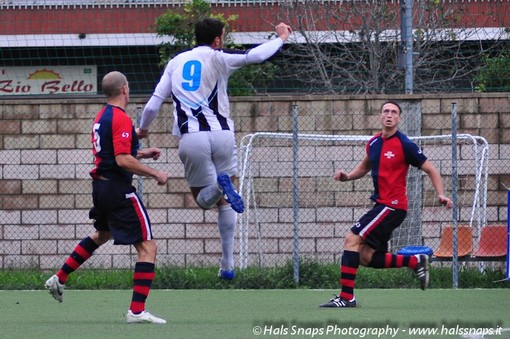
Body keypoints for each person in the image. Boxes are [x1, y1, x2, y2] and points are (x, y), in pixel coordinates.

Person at [138, 18, 293, 280]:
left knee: (203, 200)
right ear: (218, 40)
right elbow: (255, 55)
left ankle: (221, 188)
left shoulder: (175, 62)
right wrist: (280, 38)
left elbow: (153, 104)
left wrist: (143, 129)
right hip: (222, 134)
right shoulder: (220, 57)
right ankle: (228, 265)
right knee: (225, 204)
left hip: (192, 138)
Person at [45, 71, 170, 324]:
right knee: (148, 246)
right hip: (117, 189)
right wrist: (155, 172)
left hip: (101, 188)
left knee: (102, 234)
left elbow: (112, 153)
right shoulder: (120, 118)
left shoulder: (102, 116)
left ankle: (60, 277)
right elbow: (123, 160)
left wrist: (142, 153)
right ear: (125, 88)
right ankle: (136, 311)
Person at [320, 101, 453, 308]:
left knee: (351, 238)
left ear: (399, 118)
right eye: (386, 111)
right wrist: (347, 177)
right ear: (380, 116)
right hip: (382, 206)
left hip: (393, 206)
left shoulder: (405, 144)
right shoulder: (373, 142)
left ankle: (346, 297)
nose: (389, 115)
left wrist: (441, 194)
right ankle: (414, 261)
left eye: (394, 112)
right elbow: (364, 167)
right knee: (365, 256)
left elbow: (431, 169)